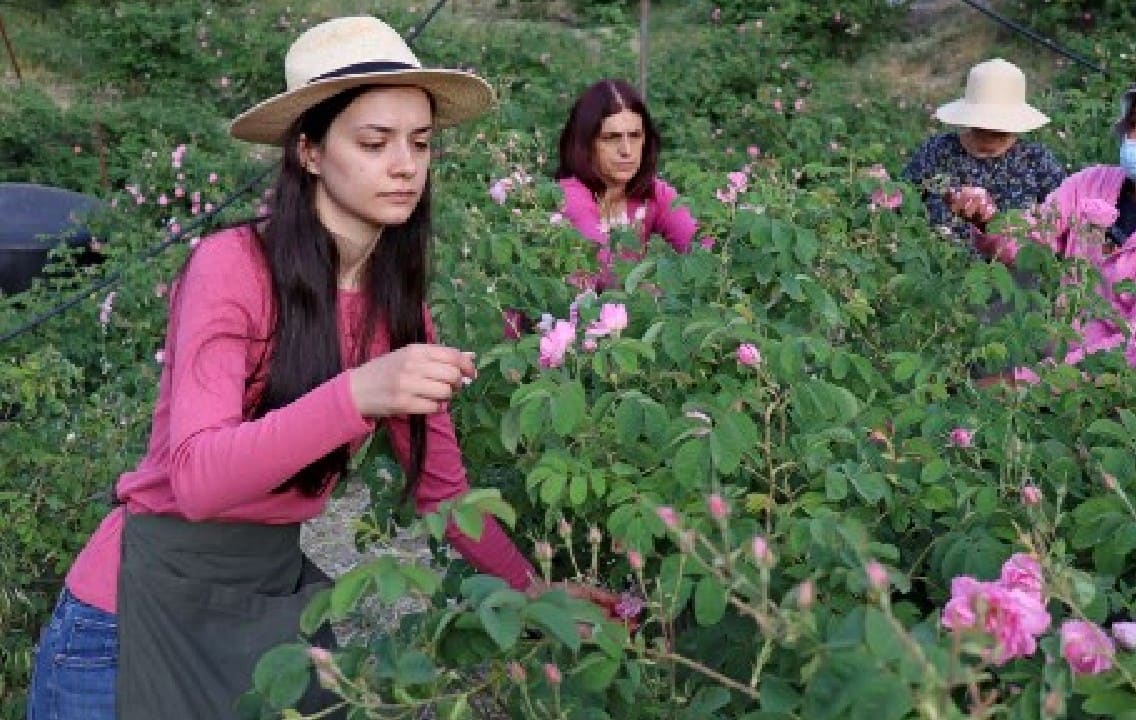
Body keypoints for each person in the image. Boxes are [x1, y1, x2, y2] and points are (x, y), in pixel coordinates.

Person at [26, 16, 614, 720]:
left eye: (420, 143)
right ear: (309, 151)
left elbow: (443, 494)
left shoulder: (398, 309)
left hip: (263, 606)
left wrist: (534, 591)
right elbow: (197, 478)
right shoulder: (231, 267)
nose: (405, 165)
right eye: (373, 142)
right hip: (125, 621)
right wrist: (360, 392)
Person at [963, 66, 1136, 368]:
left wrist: (1026, 382)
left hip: (1108, 393)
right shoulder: (1092, 184)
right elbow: (1027, 242)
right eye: (1134, 123)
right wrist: (988, 221)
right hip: (1052, 350)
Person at [554, 78, 700, 291]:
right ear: (585, 144)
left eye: (634, 136)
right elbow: (604, 269)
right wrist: (659, 291)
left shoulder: (654, 193)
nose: (626, 150)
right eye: (611, 137)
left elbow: (703, 249)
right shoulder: (569, 195)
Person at [903, 58, 1065, 238]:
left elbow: (1062, 223)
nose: (990, 133)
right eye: (984, 128)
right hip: (939, 261)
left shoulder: (1036, 160)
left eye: (998, 131)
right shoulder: (939, 150)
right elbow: (903, 202)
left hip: (1009, 264)